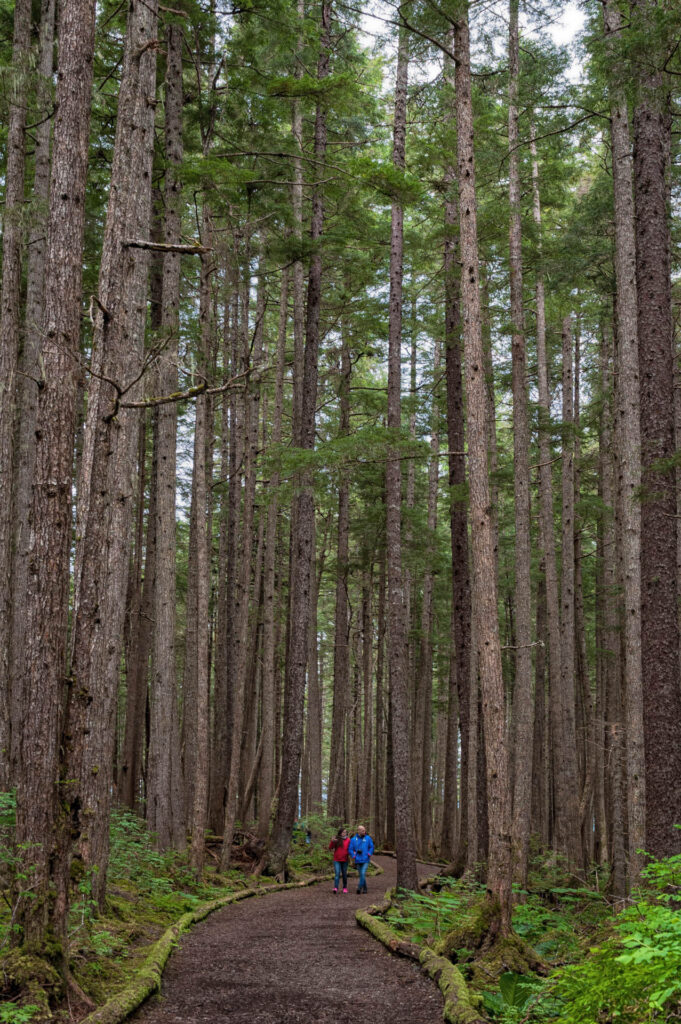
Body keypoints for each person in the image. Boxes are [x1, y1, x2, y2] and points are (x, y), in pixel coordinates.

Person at [348, 824, 374, 894]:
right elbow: (350, 849)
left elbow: (371, 847)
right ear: (358, 831)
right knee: (362, 875)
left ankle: (359, 887)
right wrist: (353, 855)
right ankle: (365, 888)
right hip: (358, 860)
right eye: (363, 831)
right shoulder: (353, 840)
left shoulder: (368, 838)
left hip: (366, 859)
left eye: (364, 830)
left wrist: (369, 853)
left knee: (362, 873)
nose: (364, 832)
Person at [328, 826, 351, 893]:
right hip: (337, 860)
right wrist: (332, 841)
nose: (345, 833)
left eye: (345, 832)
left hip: (345, 860)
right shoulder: (337, 839)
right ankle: (335, 887)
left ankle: (344, 888)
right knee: (337, 873)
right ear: (340, 833)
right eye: (343, 832)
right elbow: (330, 847)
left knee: (344, 874)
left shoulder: (348, 840)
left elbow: (350, 848)